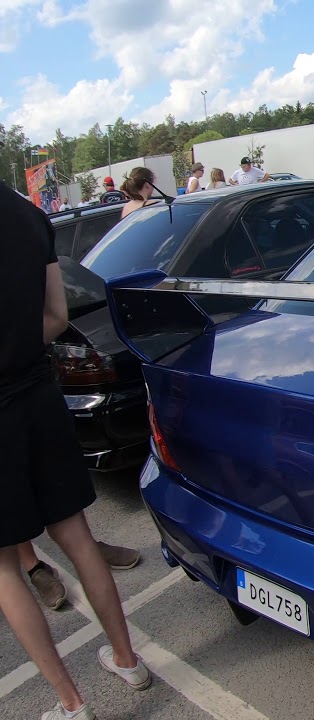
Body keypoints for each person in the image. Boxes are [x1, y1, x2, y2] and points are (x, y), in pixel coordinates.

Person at [0, 171, 152, 720]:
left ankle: (71, 703)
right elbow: (57, 318)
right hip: (39, 396)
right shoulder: (26, 216)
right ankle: (127, 659)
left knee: (4, 569)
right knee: (79, 537)